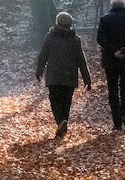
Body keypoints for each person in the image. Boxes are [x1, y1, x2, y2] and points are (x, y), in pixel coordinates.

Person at [34, 11, 91, 139]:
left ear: (57, 22)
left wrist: (39, 71)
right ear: (70, 23)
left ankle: (60, 121)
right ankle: (64, 121)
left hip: (54, 75)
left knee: (55, 100)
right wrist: (87, 78)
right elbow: (81, 59)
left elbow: (43, 55)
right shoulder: (75, 39)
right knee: (66, 101)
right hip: (70, 75)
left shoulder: (50, 37)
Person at [95, 0, 125, 130]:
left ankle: (117, 122)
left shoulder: (105, 20)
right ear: (124, 5)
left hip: (110, 61)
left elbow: (100, 39)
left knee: (113, 89)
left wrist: (113, 50)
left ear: (112, 5)